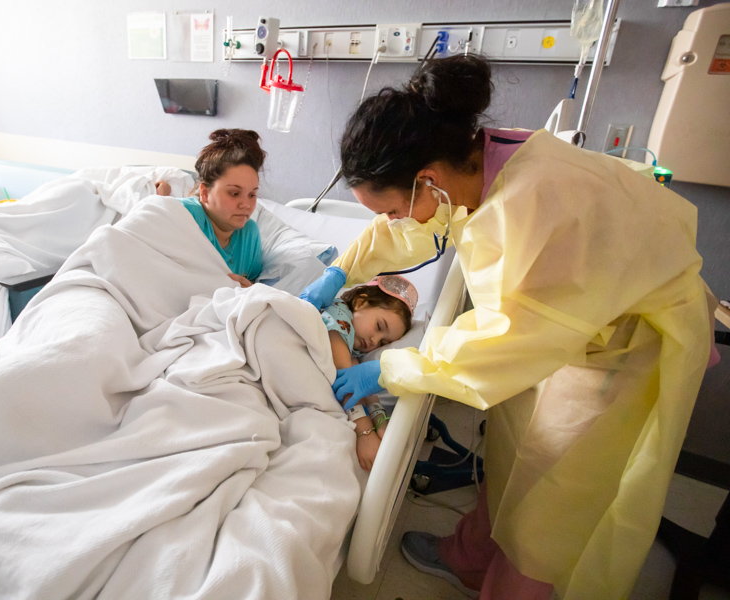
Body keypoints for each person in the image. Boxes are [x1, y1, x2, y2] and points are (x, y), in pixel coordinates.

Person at [299, 54, 714, 599]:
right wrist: (343, 270)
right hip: (566, 316)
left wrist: (393, 369)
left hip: (621, 342)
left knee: (552, 497)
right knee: (513, 446)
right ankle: (471, 557)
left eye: (395, 209)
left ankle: (514, 587)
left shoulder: (530, 207)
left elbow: (505, 339)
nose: (394, 222)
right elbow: (418, 226)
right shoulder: (478, 157)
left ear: (427, 181)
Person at [322, 274, 418, 470]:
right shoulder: (338, 318)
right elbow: (346, 384)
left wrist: (380, 418)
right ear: (360, 301)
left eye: (383, 343)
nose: (375, 341)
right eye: (379, 327)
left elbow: (361, 383)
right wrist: (364, 433)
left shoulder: (353, 345)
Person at [155, 128, 265, 288]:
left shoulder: (250, 234)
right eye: (234, 193)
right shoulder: (184, 217)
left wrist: (246, 290)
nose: (246, 205)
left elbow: (252, 281)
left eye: (252, 195)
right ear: (205, 193)